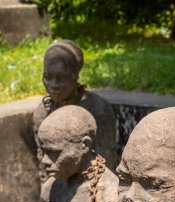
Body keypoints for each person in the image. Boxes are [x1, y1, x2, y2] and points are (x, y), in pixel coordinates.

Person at [33, 39, 117, 179]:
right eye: (48, 76)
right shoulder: (42, 113)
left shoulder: (98, 109)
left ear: (75, 76)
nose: (53, 85)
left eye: (61, 78)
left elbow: (106, 162)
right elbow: (43, 166)